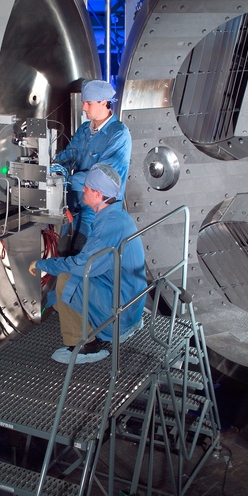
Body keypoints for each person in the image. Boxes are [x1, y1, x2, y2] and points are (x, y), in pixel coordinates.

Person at [28, 164, 147, 365]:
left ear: (98, 195)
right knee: (66, 286)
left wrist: (43, 264)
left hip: (123, 312)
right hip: (132, 302)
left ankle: (84, 346)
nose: (83, 189)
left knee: (67, 280)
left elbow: (82, 267)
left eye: (88, 188)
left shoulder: (107, 226)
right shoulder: (117, 216)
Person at [52, 79, 131, 254]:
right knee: (63, 251)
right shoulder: (84, 130)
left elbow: (102, 176)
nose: (84, 108)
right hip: (76, 204)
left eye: (88, 103)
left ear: (103, 102)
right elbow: (70, 155)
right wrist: (51, 166)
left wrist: (67, 179)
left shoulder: (119, 134)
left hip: (99, 209)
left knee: (84, 255)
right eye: (83, 103)